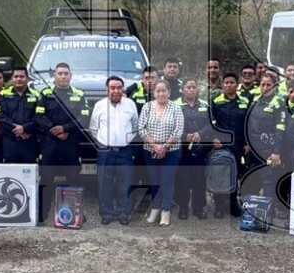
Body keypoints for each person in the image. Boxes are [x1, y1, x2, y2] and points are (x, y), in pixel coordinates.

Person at [36, 63, 90, 219]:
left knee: (73, 178)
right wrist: (54, 130)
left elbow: (84, 117)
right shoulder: (45, 94)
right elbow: (39, 116)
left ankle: (76, 212)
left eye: (66, 73)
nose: (63, 76)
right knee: (46, 179)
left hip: (70, 143)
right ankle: (41, 213)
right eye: (60, 73)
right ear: (54, 76)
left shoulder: (79, 94)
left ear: (70, 76)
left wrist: (65, 129)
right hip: (50, 144)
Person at [89, 77, 138, 225]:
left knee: (125, 182)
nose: (116, 90)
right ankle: (107, 213)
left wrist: (126, 139)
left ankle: (123, 212)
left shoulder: (130, 104)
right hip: (105, 151)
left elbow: (135, 125)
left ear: (123, 89)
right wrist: (103, 141)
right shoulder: (99, 105)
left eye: (119, 87)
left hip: (125, 150)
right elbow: (93, 128)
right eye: (112, 88)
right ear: (107, 90)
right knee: (105, 183)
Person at [138, 80, 183, 226]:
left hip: (171, 151)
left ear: (169, 92)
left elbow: (178, 131)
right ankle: (156, 208)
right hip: (150, 150)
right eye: (158, 91)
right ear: (154, 93)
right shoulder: (147, 107)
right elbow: (141, 129)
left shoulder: (176, 108)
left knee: (167, 181)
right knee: (155, 180)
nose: (161, 93)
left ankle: (165, 211)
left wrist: (164, 147)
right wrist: (155, 146)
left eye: (164, 91)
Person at [209, 74, 250, 218]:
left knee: (235, 175)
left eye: (232, 83)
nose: (228, 85)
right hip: (222, 146)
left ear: (237, 84)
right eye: (226, 83)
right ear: (222, 84)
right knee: (220, 175)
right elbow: (210, 123)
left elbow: (248, 124)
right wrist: (214, 138)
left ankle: (233, 205)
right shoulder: (216, 101)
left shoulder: (245, 101)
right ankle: (219, 206)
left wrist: (247, 143)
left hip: (239, 145)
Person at [177, 78, 213, 219]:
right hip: (182, 148)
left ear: (197, 89)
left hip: (201, 147)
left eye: (194, 87)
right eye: (188, 87)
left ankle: (198, 208)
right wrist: (185, 136)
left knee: (199, 179)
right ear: (183, 89)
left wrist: (200, 134)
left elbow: (211, 124)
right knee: (184, 179)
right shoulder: (175, 105)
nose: (191, 89)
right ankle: (183, 208)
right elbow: (172, 125)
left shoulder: (205, 105)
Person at [0, 67, 42, 164]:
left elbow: (39, 116)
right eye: (16, 76)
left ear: (27, 79)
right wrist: (16, 128)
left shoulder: (36, 95)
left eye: (22, 76)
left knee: (28, 172)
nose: (18, 79)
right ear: (12, 79)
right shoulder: (3, 94)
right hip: (10, 140)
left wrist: (25, 128)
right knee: (11, 173)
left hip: (29, 140)